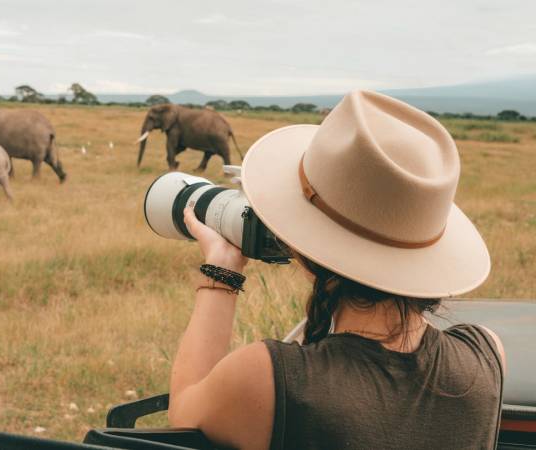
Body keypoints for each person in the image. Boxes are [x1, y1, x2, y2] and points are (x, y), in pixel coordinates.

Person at [168, 90, 506, 450]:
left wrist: (222, 274)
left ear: (307, 254)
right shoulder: (486, 356)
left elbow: (184, 411)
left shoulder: (269, 377)